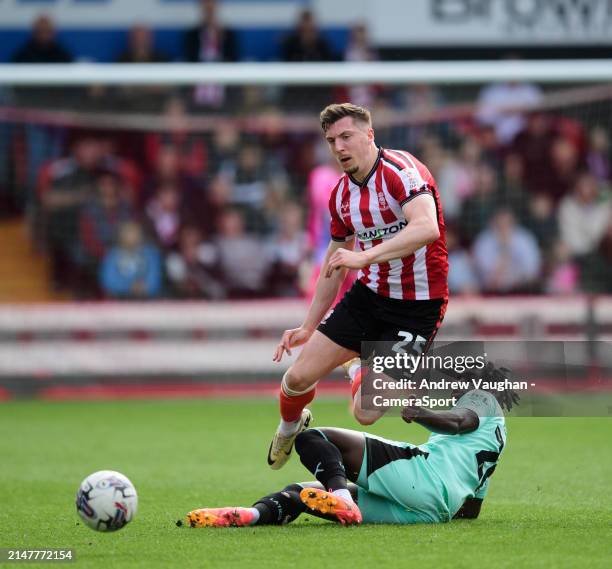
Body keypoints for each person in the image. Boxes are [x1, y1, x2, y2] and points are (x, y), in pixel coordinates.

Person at [267, 103, 448, 470]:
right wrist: (308, 325)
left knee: (365, 413)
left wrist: (364, 257)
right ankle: (290, 426)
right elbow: (333, 265)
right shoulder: (340, 196)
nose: (339, 147)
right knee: (297, 377)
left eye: (346, 136)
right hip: (368, 296)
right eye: (332, 141)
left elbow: (427, 227)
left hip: (417, 307)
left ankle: (354, 365)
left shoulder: (403, 172)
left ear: (369, 135)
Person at [180, 377, 518, 527]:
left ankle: (340, 495)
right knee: (304, 492)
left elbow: (458, 421)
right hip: (432, 511)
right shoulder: (495, 440)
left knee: (313, 438)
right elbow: (471, 510)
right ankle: (251, 515)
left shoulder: (483, 399)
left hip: (425, 476)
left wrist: (423, 415)